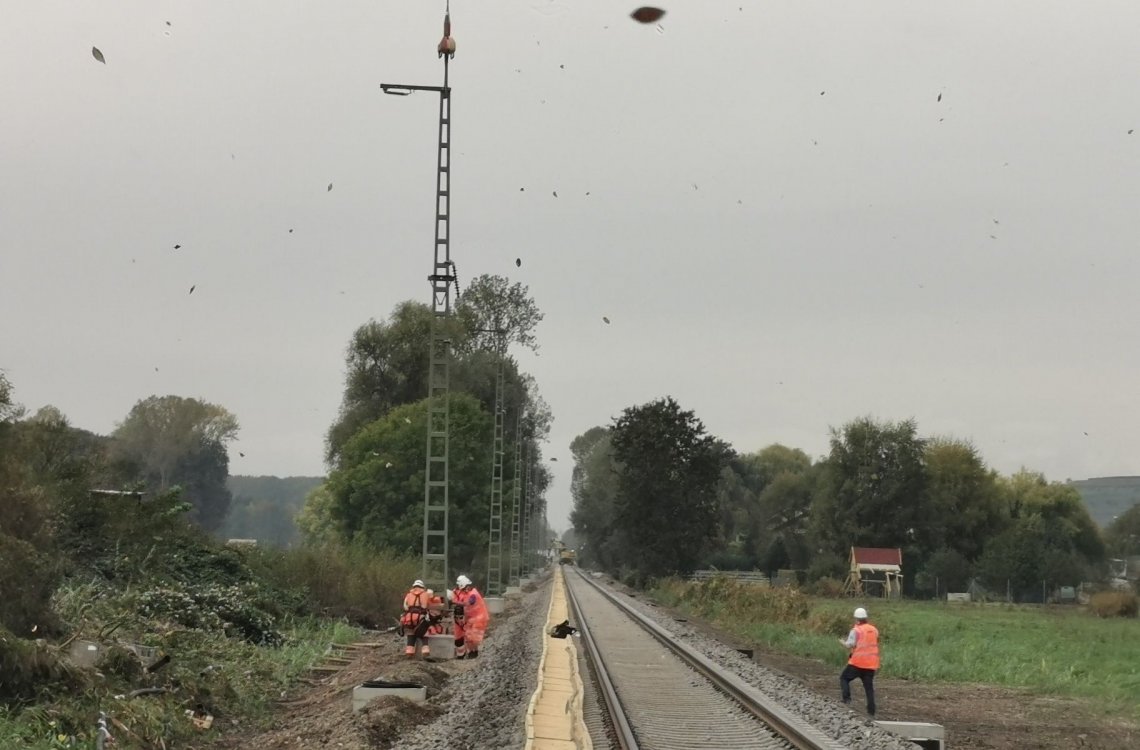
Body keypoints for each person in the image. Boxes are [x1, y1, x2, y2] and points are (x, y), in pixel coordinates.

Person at [839, 606, 879, 717]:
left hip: (857, 663)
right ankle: (871, 711)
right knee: (869, 688)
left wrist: (842, 642)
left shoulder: (856, 630)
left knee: (844, 678)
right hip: (871, 665)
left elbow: (850, 644)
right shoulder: (874, 630)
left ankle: (846, 700)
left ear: (856, 619)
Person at [450, 574, 490, 659]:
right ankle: (471, 652)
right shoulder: (465, 593)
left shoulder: (473, 594)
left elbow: (470, 602)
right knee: (468, 636)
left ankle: (474, 653)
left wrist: (456, 603)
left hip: (479, 618)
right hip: (472, 618)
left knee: (473, 637)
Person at [400, 579, 432, 658]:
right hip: (421, 617)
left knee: (411, 634)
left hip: (409, 617)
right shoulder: (426, 594)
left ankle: (409, 653)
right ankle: (425, 652)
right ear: (422, 586)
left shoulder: (408, 595)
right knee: (424, 633)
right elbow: (430, 603)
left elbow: (405, 607)